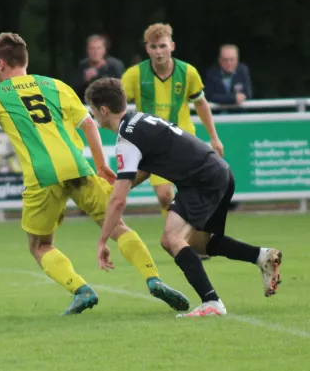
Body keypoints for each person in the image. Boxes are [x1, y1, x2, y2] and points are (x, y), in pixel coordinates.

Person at [0, 32, 189, 316]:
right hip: (79, 167)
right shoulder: (55, 85)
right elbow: (89, 125)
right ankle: (153, 278)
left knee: (40, 245)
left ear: (1, 64)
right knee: (117, 227)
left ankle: (81, 289)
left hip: (43, 177)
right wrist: (101, 165)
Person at [84, 77, 283, 318]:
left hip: (201, 179)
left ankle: (212, 302)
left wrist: (103, 241)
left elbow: (118, 202)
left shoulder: (127, 138)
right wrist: (119, 185)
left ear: (103, 110)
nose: (93, 115)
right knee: (198, 243)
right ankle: (261, 256)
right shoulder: (140, 120)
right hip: (219, 171)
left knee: (171, 239)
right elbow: (144, 169)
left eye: (93, 110)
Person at [121, 24, 224, 261]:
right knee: (165, 196)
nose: (159, 52)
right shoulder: (135, 75)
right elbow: (118, 102)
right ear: (147, 48)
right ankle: (181, 240)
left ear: (172, 46)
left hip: (184, 143)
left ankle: (191, 240)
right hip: (154, 147)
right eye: (154, 47)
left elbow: (201, 103)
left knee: (193, 191)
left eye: (163, 46)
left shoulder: (188, 73)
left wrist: (214, 137)